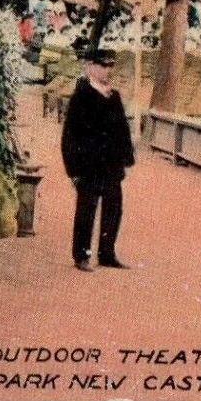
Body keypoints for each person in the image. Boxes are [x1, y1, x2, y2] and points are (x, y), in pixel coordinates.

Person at [60, 50, 136, 272]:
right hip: (89, 164)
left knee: (113, 208)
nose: (107, 70)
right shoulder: (81, 96)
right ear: (90, 66)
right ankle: (81, 254)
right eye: (102, 66)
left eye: (109, 66)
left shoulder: (113, 96)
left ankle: (107, 253)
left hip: (111, 164)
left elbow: (123, 130)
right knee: (86, 209)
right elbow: (70, 135)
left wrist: (125, 159)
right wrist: (73, 168)